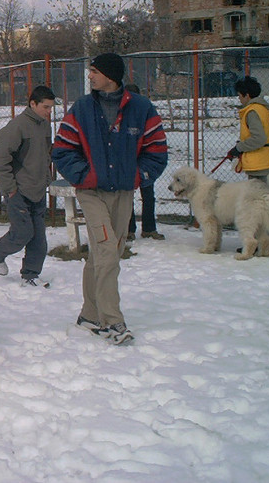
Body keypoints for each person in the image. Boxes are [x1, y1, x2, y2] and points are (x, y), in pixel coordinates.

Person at [52, 53, 168, 345]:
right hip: (91, 192)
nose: (89, 76)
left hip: (123, 193)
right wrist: (85, 177)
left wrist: (137, 177)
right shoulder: (81, 108)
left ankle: (89, 314)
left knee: (106, 254)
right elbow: (63, 149)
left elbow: (157, 150)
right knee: (106, 249)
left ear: (111, 75)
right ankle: (112, 321)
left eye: (94, 71)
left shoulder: (141, 108)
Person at [0, 85, 56, 286]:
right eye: (45, 107)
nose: (49, 112)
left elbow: (45, 155)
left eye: (51, 107)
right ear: (32, 104)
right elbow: (0, 162)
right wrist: (11, 188)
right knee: (23, 233)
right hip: (18, 191)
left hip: (37, 189)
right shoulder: (17, 127)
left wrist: (45, 179)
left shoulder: (45, 126)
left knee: (38, 239)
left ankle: (30, 275)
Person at [124, 84, 164, 241]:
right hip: (127, 161)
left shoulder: (146, 112)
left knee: (148, 195)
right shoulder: (121, 114)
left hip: (145, 160)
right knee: (127, 197)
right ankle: (129, 230)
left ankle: (149, 228)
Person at [226, 76, 269, 182]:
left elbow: (258, 138)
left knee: (257, 195)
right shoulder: (261, 109)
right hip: (263, 158)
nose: (239, 99)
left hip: (258, 162)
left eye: (239, 95)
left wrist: (239, 148)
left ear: (247, 95)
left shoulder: (252, 112)